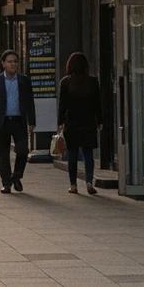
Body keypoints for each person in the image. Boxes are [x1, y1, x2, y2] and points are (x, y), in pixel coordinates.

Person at [0, 50, 37, 194]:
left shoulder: (24, 80)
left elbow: (30, 102)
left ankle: (16, 176)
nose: (13, 64)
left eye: (15, 61)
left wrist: (32, 121)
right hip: (2, 122)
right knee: (3, 154)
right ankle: (6, 183)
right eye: (10, 62)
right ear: (3, 64)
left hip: (19, 121)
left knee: (22, 150)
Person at [58, 52, 104, 195]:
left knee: (72, 154)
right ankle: (89, 181)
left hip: (71, 122)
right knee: (88, 153)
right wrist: (100, 121)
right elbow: (98, 104)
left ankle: (73, 185)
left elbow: (62, 105)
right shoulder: (93, 82)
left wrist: (60, 122)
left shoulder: (65, 82)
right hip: (88, 121)